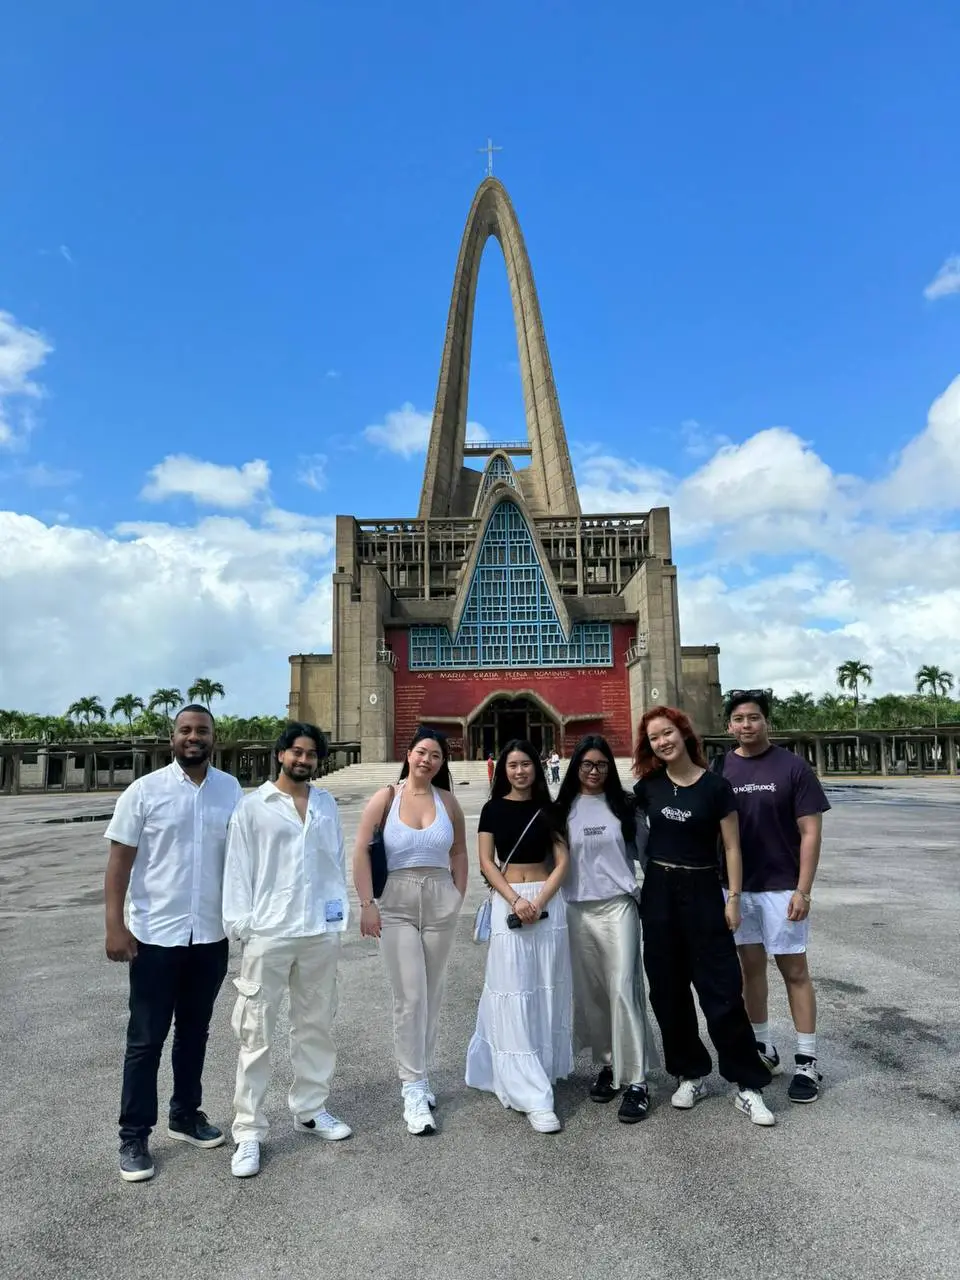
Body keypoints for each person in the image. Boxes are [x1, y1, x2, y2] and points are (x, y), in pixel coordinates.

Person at [104, 705, 244, 1182]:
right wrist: (114, 925)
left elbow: (243, 860)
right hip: (156, 936)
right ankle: (134, 1135)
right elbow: (119, 863)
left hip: (210, 935)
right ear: (173, 737)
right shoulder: (144, 793)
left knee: (195, 1033)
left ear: (213, 738)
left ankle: (185, 1115)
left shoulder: (231, 791)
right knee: (145, 1039)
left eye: (201, 730)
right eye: (185, 730)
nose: (193, 737)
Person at [633, 705, 775, 1126]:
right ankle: (689, 1073)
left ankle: (747, 1084)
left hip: (703, 891)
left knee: (722, 991)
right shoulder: (648, 788)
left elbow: (731, 846)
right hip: (659, 893)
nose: (662, 741)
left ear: (683, 732)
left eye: (667, 732)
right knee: (668, 990)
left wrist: (733, 898)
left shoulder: (716, 787)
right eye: (654, 737)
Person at [222, 723, 352, 1179]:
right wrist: (243, 926)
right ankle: (249, 1131)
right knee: (256, 1034)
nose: (303, 760)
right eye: (296, 752)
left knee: (315, 1025)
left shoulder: (325, 803)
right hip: (269, 933)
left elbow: (334, 862)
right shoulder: (253, 807)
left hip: (317, 931)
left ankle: (311, 1109)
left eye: (311, 754)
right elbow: (238, 868)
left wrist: (338, 919)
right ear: (281, 755)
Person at [353, 727, 468, 1135]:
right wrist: (367, 904)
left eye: (436, 756)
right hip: (397, 901)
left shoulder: (448, 802)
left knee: (432, 995)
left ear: (441, 763)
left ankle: (422, 1073)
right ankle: (413, 1087)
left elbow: (458, 853)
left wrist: (456, 896)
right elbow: (362, 851)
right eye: (422, 752)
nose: (427, 760)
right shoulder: (386, 797)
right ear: (409, 754)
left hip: (440, 898)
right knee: (411, 995)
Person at [719, 690, 831, 1103]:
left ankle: (807, 1060)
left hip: (782, 887)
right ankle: (763, 1047)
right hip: (738, 888)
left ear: (767, 722)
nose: (746, 725)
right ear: (728, 725)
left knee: (795, 971)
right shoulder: (722, 768)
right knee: (750, 970)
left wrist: (804, 890)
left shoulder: (793, 767)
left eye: (754, 718)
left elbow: (811, 832)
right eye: (739, 719)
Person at [465, 739, 572, 1133]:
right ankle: (527, 1088)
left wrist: (540, 899)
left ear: (537, 767)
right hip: (508, 903)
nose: (519, 771)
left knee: (543, 985)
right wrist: (514, 900)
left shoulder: (551, 809)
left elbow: (563, 861)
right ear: (503, 770)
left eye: (526, 764)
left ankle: (540, 1066)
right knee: (511, 987)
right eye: (512, 765)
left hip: (546, 903)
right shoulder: (492, 809)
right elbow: (485, 862)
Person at [555, 734, 658, 1123]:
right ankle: (610, 1066)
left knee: (623, 990)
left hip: (618, 908)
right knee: (593, 995)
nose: (594, 771)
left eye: (601, 765)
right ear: (576, 767)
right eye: (587, 765)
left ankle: (637, 1082)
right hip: (577, 910)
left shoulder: (625, 807)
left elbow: (647, 856)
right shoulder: (563, 809)